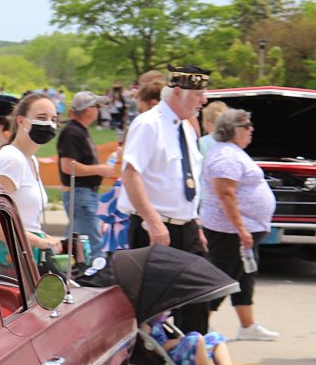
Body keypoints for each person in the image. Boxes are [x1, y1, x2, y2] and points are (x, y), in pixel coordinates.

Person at [118, 65, 209, 331]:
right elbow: (131, 175)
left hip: (186, 228)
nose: (204, 100)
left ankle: (193, 360)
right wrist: (153, 221)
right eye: (198, 94)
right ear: (178, 92)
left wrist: (195, 222)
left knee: (197, 298)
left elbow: (187, 179)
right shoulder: (148, 124)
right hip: (155, 229)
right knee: (150, 308)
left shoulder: (187, 129)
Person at [200, 108, 278, 341]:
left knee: (244, 276)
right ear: (232, 130)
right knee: (223, 277)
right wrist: (241, 229)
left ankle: (247, 326)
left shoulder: (233, 152)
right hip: (229, 231)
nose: (251, 129)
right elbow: (226, 194)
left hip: (242, 229)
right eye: (246, 126)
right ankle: (199, 325)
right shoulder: (226, 157)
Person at [0, 92, 61, 254]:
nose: (49, 124)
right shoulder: (12, 160)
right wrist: (38, 242)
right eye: (41, 117)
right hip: (7, 260)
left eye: (53, 119)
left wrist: (47, 238)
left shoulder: (31, 160)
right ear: (21, 121)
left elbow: (26, 222)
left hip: (23, 254)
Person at [57, 90, 119, 264]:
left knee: (75, 243)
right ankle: (94, 276)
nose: (99, 110)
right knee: (93, 243)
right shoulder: (72, 132)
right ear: (88, 110)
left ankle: (73, 273)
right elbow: (68, 167)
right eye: (96, 106)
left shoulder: (78, 131)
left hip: (83, 193)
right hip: (80, 194)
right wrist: (99, 169)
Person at [146, 312, 262, 365]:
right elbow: (151, 350)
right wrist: (175, 342)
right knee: (195, 337)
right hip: (168, 360)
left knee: (215, 337)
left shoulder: (157, 320)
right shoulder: (145, 324)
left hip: (178, 353)